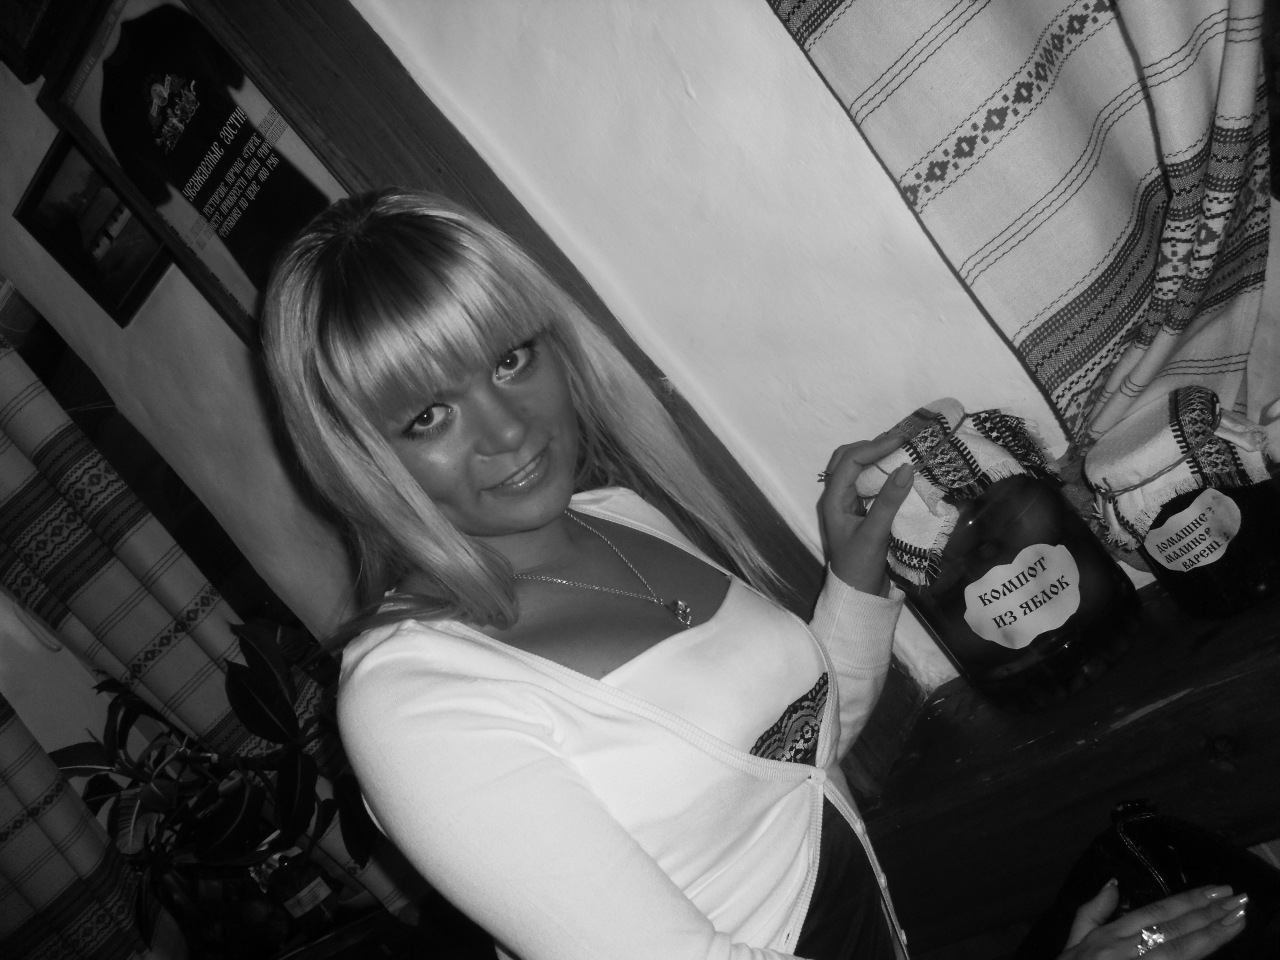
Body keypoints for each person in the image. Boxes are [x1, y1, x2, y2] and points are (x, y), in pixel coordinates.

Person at [261, 188, 1248, 960]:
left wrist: (854, 581)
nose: (507, 429)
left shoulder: (616, 514)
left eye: (510, 359)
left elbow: (786, 767)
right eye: (427, 416)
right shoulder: (416, 700)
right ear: (360, 454)